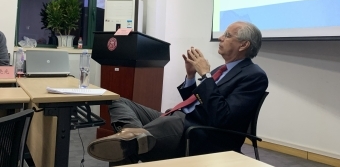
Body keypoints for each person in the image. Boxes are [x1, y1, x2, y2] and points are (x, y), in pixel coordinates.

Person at [88, 21, 268, 165]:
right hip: (178, 119)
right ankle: (136, 135)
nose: (220, 38)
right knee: (118, 101)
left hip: (199, 133)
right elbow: (194, 101)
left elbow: (222, 117)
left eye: (227, 35)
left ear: (244, 44)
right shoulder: (221, 69)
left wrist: (205, 76)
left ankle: (133, 138)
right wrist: (190, 76)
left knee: (124, 148)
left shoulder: (254, 76)